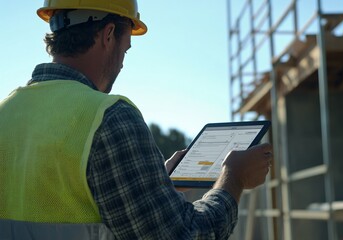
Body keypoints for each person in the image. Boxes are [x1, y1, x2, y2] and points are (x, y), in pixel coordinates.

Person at [0, 0, 273, 239]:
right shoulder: (109, 118)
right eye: (126, 49)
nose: (121, 63)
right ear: (108, 35)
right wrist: (233, 178)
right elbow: (184, 235)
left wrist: (156, 182)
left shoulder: (6, 111)